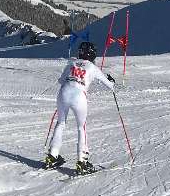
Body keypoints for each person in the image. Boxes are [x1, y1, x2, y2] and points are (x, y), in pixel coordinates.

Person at [44, 40, 116, 175]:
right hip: (79, 96)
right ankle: (82, 162)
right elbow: (110, 85)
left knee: (60, 123)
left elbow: (61, 80)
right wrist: (111, 82)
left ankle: (52, 156)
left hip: (63, 93)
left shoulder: (71, 63)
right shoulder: (92, 67)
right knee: (81, 127)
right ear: (92, 54)